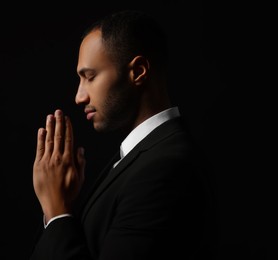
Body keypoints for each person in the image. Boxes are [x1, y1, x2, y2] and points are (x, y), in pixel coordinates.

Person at [30, 9, 215, 260]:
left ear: (138, 71)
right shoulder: (141, 156)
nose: (79, 96)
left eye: (90, 77)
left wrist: (57, 211)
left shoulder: (165, 168)